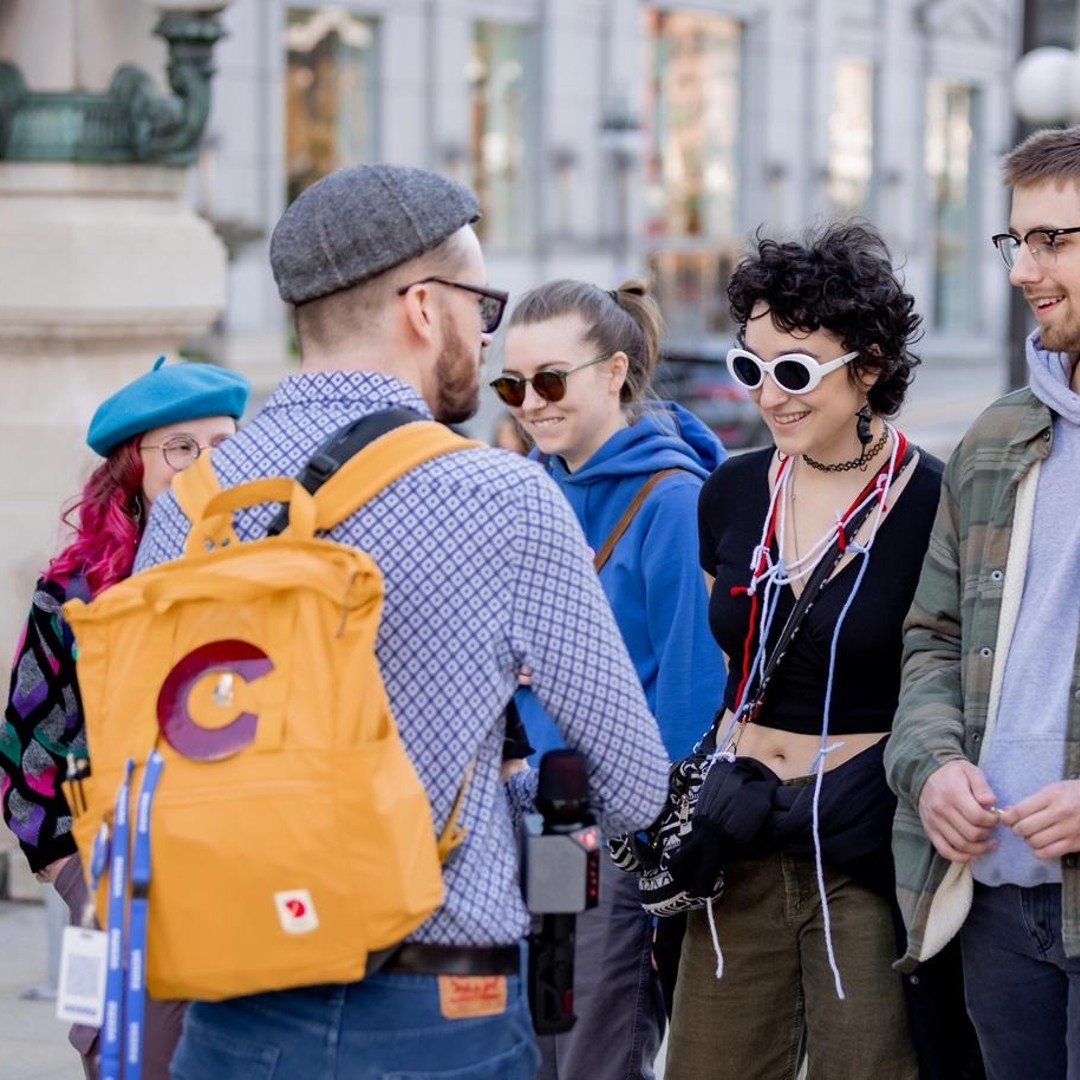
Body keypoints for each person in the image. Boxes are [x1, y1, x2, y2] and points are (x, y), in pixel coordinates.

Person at [133, 163, 670, 1080]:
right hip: (439, 1000)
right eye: (481, 305)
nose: (486, 333)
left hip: (234, 994)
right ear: (423, 306)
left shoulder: (192, 500)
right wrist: (502, 794)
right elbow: (633, 784)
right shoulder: (501, 496)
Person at [666, 221, 948, 1080]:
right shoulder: (730, 491)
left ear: (868, 366)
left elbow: (949, 676)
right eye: (750, 368)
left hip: (860, 846)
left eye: (794, 371)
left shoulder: (935, 503)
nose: (768, 395)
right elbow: (731, 669)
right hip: (738, 833)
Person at [887, 125, 1080, 1079]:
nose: (1021, 270)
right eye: (1016, 240)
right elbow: (934, 636)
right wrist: (933, 770)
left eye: (1052, 240)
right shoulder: (997, 438)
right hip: (997, 903)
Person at [496, 278, 727, 1078]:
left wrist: (655, 849)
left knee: (596, 1047)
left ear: (615, 371)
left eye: (551, 380)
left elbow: (693, 695)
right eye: (513, 385)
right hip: (542, 818)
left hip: (623, 839)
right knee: (544, 1044)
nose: (532, 403)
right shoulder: (532, 489)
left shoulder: (673, 501)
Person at [1, 356, 251, 1080]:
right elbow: (27, 747)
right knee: (131, 1060)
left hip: (247, 872)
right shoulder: (73, 593)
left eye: (222, 444)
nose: (204, 464)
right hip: (121, 883)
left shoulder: (270, 569)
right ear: (131, 466)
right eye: (181, 447)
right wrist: (76, 876)